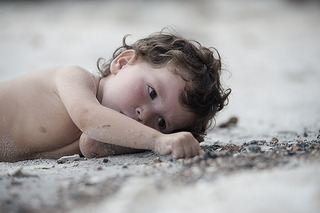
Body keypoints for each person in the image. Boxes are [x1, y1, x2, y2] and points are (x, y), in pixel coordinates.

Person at [0, 30, 231, 162]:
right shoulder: (74, 77)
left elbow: (91, 144)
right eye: (151, 92)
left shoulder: (102, 130)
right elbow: (89, 118)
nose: (145, 115)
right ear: (121, 64)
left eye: (162, 123)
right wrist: (158, 140)